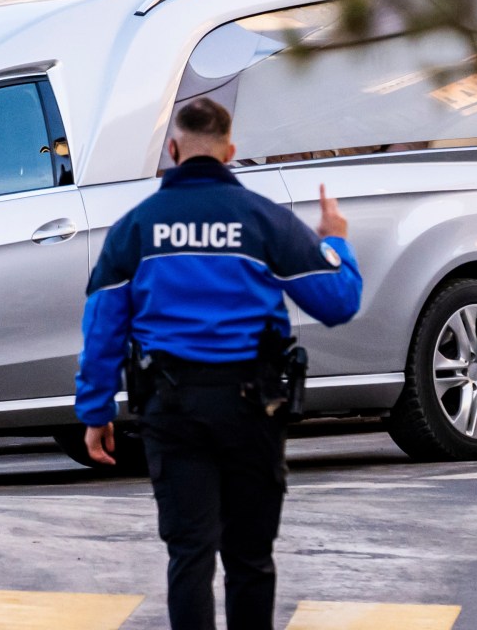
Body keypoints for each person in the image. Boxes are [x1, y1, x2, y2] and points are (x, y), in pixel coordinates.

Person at [75, 97, 361, 630]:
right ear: (230, 153)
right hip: (250, 409)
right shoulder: (263, 222)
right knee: (250, 558)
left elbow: (102, 329)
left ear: (173, 150)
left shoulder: (135, 228)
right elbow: (339, 302)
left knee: (190, 558)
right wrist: (337, 240)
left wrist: (95, 412)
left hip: (172, 410)